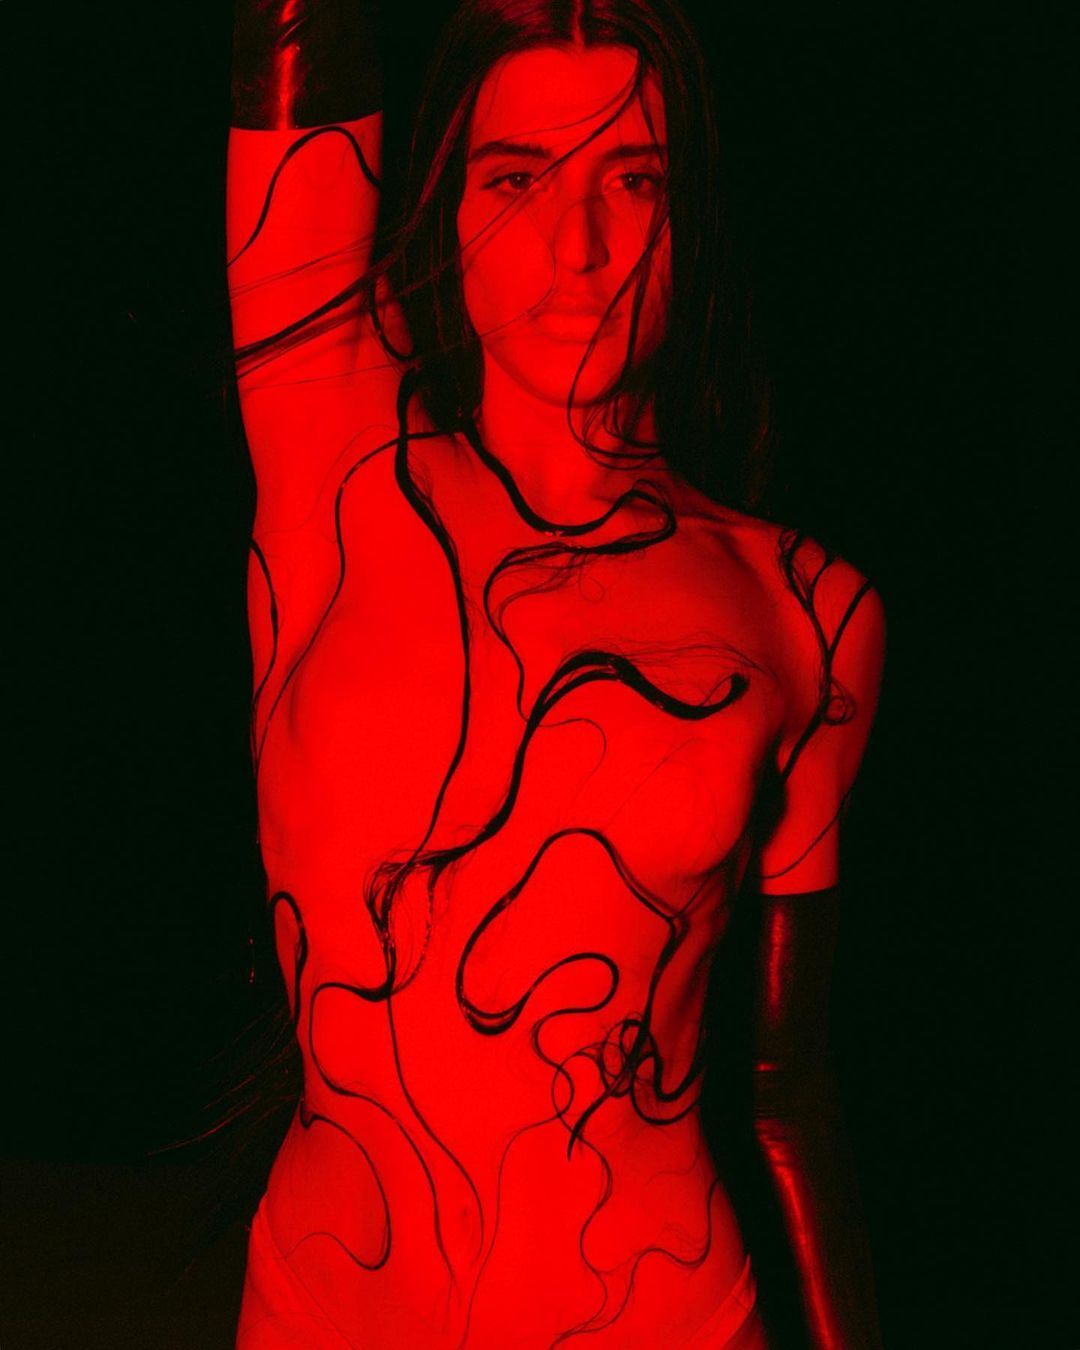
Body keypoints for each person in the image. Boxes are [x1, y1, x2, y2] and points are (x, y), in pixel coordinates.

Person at [226, 0, 886, 1344]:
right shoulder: (335, 466)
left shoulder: (807, 611)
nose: (576, 248)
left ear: (691, 211)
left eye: (633, 179)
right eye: (517, 179)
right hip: (322, 1304)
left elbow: (779, 1090)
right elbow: (293, 48)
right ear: (446, 206)